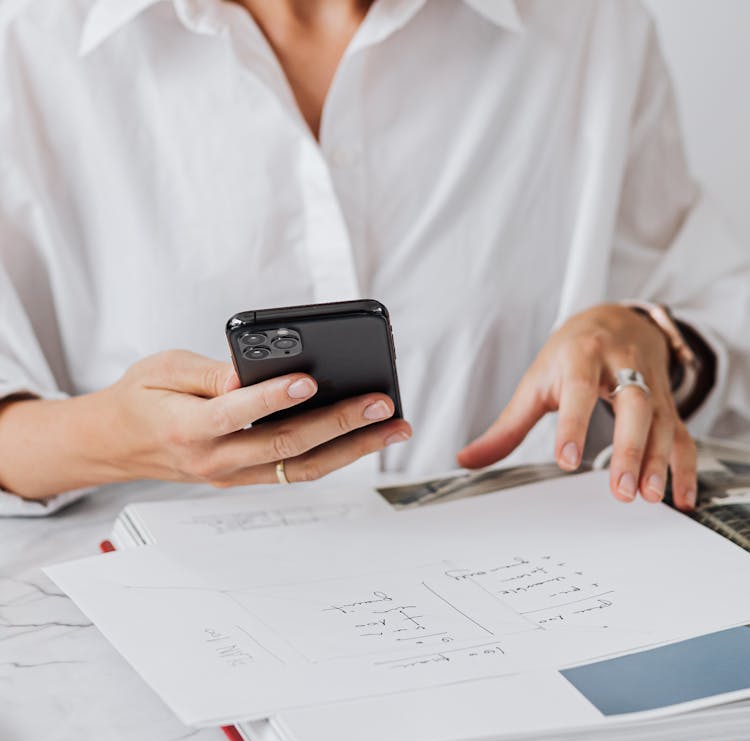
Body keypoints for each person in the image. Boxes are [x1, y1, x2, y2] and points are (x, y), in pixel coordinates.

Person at [1, 0, 749, 518]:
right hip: (137, 655)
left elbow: (712, 313)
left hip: (521, 607)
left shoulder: (588, 26)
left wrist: (651, 337)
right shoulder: (29, 44)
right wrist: (111, 440)